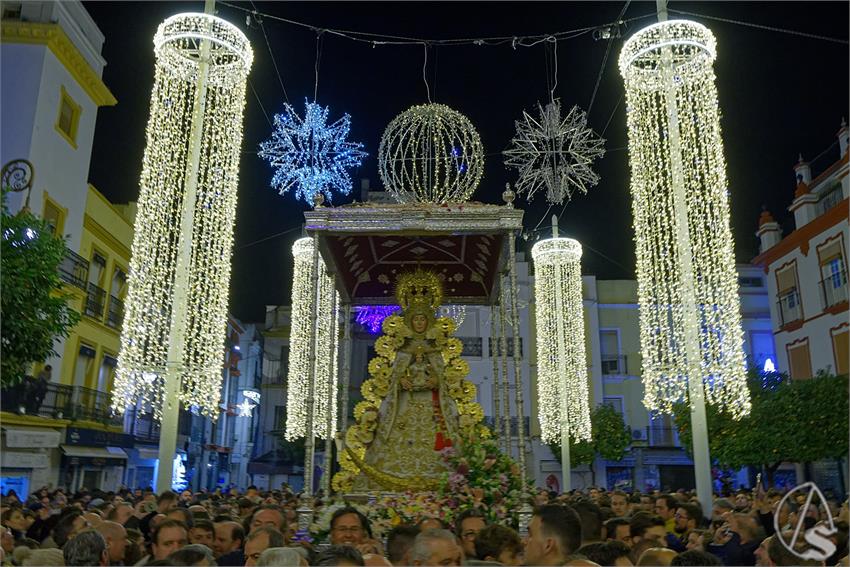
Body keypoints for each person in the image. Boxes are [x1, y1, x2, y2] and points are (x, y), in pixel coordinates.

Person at [347, 272, 466, 491]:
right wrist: (401, 382)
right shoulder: (401, 350)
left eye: (422, 319)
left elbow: (443, 378)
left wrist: (436, 382)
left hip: (432, 407)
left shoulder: (435, 348)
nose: (419, 323)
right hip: (404, 406)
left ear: (427, 320)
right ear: (410, 321)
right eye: (416, 319)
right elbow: (393, 379)